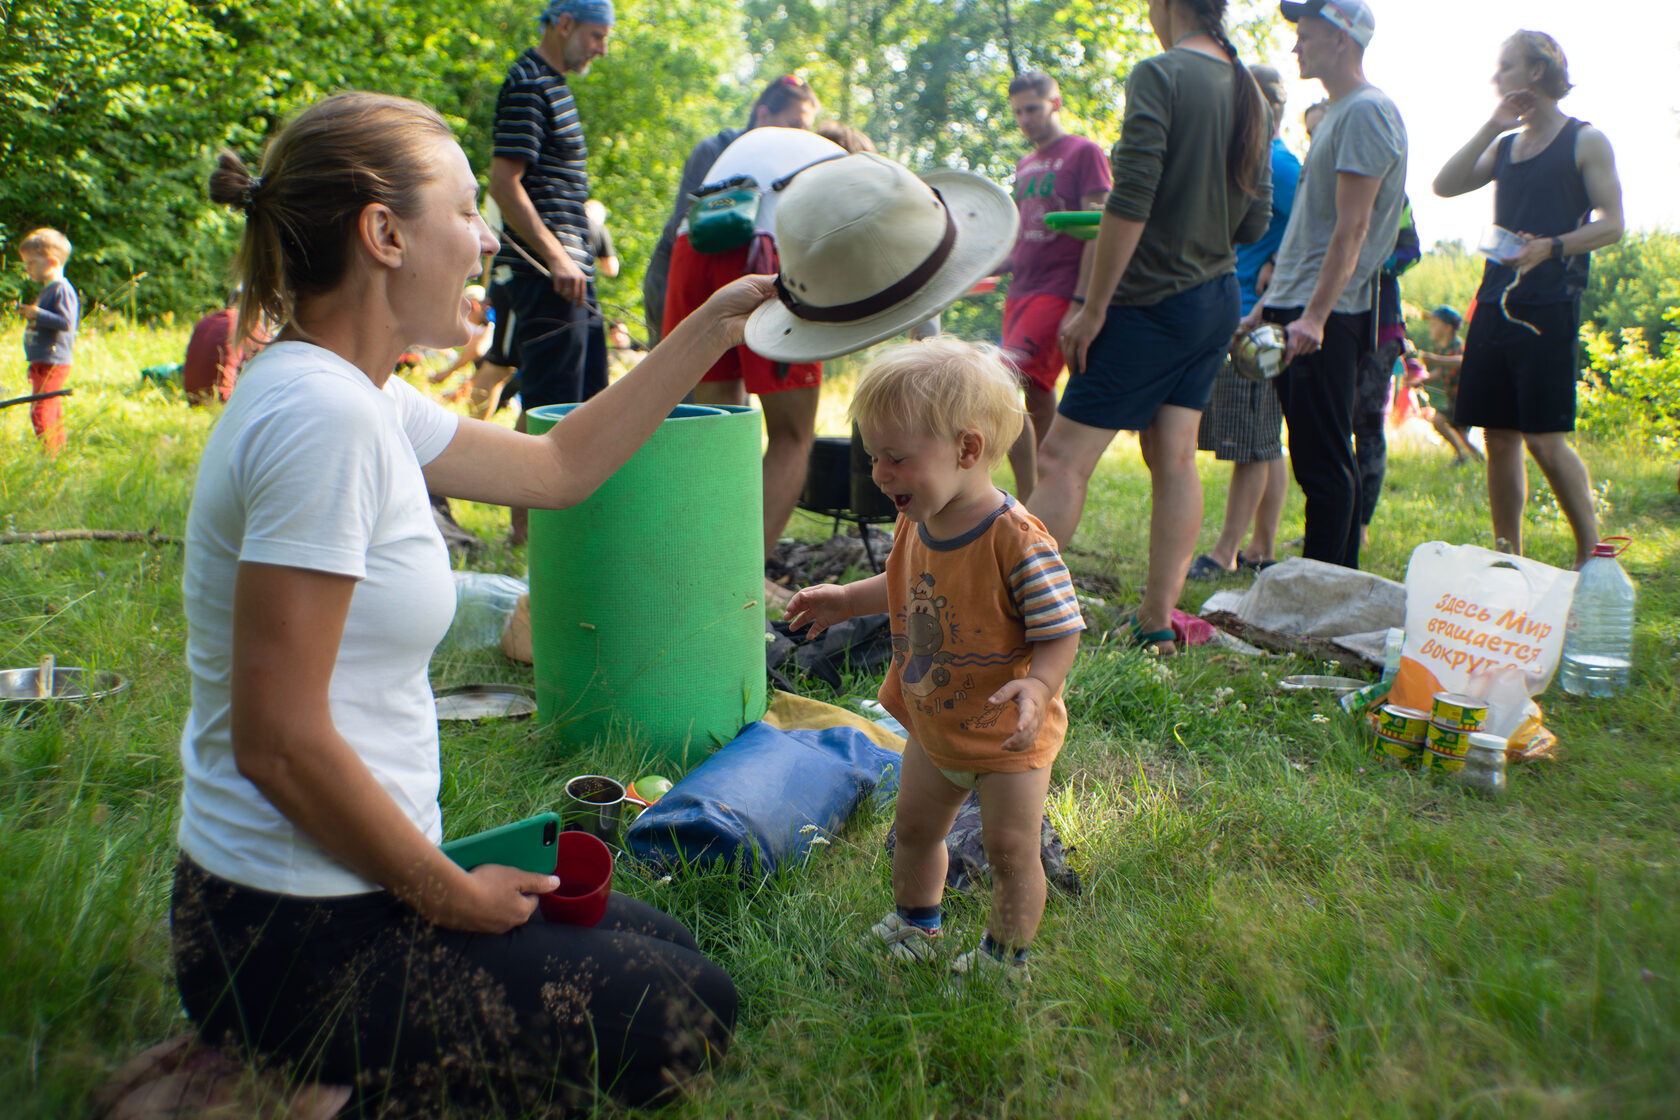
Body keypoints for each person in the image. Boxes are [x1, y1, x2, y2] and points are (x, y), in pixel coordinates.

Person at [175, 91, 766, 1115]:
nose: (490, 236)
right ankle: (282, 1090)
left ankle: (292, 1067)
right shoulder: (323, 419)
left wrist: (711, 323)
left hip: (348, 891)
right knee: (684, 1014)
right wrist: (450, 893)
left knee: (660, 945)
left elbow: (560, 465)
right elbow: (276, 741)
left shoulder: (360, 392)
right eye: (466, 209)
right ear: (384, 233)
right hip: (292, 931)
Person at [784, 340, 1084, 984]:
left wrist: (1038, 683)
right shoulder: (917, 518)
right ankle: (917, 921)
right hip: (934, 721)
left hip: (1008, 734)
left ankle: (1005, 960)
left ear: (967, 450)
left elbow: (1062, 630)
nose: (880, 474)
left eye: (896, 458)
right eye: (873, 457)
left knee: (1009, 850)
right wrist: (845, 600)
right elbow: (899, 582)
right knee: (917, 830)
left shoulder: (1016, 540)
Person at [1032, 0, 1273, 654]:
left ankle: (1012, 615)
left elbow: (1130, 197)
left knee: (1059, 459)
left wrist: (1093, 305)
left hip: (1149, 302)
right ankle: (1155, 622)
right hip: (1214, 299)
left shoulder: (1162, 73)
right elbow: (1255, 222)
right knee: (1171, 456)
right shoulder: (1248, 85)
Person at [1432, 30, 1624, 567]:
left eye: (1507, 66)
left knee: (1543, 438)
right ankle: (1506, 559)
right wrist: (1492, 124)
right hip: (1494, 303)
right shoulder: (1505, 148)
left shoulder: (1585, 140)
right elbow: (1444, 185)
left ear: (1537, 72)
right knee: (1498, 435)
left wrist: (1553, 246)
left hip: (1549, 305)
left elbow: (1613, 224)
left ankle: (1595, 557)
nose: (1497, 78)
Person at [1239, 0, 1408, 572]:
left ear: (1341, 37)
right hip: (1297, 307)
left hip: (1327, 316)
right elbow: (1309, 233)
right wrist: (1268, 303)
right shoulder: (1337, 113)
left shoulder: (1366, 112)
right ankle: (1328, 585)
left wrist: (1313, 317)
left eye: (1305, 36)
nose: (1295, 48)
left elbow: (1353, 228)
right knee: (1313, 457)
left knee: (1325, 463)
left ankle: (1323, 590)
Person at [662, 124, 847, 579]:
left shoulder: (785, 146)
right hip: (762, 253)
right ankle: (742, 578)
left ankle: (701, 570)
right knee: (792, 435)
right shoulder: (851, 170)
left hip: (695, 246)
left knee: (716, 432)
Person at [488, 0, 614, 545]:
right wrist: (558, 257)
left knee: (590, 403)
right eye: (595, 35)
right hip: (546, 274)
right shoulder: (527, 83)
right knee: (548, 408)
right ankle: (526, 537)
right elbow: (503, 182)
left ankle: (572, 529)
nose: (601, 48)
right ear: (564, 24)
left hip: (574, 276)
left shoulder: (554, 86)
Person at [1188, 63, 1299, 580]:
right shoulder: (1243, 160)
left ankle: (1226, 551)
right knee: (1262, 439)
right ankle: (1261, 548)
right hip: (1232, 309)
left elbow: (1303, 244)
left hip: (1254, 319)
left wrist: (1264, 304)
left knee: (1252, 445)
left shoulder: (1282, 166)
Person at [998, 72, 1113, 502]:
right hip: (1021, 289)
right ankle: (1039, 492)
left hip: (1059, 288)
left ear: (1055, 103)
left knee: (1006, 378)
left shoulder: (1084, 153)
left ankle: (1029, 493)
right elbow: (1019, 236)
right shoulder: (1025, 165)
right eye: (1018, 112)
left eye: (1033, 108)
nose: (1025, 119)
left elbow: (1100, 228)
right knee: (1035, 393)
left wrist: (1081, 300)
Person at [642, 74, 819, 344]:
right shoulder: (715, 150)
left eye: (806, 128)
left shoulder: (789, 170)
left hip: (745, 287)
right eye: (794, 124)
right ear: (762, 113)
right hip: (679, 280)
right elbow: (685, 222)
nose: (801, 137)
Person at [1352, 194, 1420, 549]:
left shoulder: (1396, 195)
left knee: (1367, 424)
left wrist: (1374, 264)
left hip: (1380, 326)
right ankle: (1332, 519)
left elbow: (1412, 250)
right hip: (1332, 320)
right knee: (1332, 424)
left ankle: (1361, 525)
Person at [17, 227, 79, 453]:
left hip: (54, 360)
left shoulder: (61, 290)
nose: (27, 268)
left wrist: (36, 314)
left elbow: (66, 322)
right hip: (43, 361)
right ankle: (56, 450)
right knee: (48, 407)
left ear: (52, 262)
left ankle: (50, 454)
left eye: (31, 262)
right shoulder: (48, 290)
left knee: (42, 409)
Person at [1413, 303, 1482, 463]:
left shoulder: (1457, 346)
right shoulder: (1441, 348)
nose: (1431, 328)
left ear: (1448, 328)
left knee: (1439, 421)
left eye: (1435, 324)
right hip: (1454, 399)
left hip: (1464, 398)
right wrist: (1423, 380)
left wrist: (1437, 360)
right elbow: (1441, 372)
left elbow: (1463, 362)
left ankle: (1463, 456)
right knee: (1461, 434)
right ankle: (1476, 459)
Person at [425, 283, 494, 394]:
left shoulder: (491, 322)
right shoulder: (479, 324)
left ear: (474, 305)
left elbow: (478, 350)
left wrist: (447, 373)